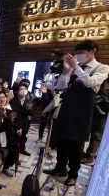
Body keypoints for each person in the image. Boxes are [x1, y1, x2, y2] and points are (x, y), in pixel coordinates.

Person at [44, 40, 109, 186]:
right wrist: (67, 72)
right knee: (61, 140)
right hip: (67, 107)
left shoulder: (102, 68)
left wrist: (76, 68)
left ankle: (73, 174)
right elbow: (60, 86)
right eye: (77, 53)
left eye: (81, 52)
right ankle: (60, 168)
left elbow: (90, 82)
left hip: (83, 112)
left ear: (92, 51)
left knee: (76, 145)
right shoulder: (75, 68)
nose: (78, 56)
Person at [0, 92, 21, 177]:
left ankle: (2, 169)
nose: (2, 99)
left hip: (7, 137)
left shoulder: (11, 108)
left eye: (3, 97)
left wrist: (17, 128)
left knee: (4, 156)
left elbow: (17, 121)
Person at [10, 84, 33, 156]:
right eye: (21, 89)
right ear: (17, 91)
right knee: (16, 138)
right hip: (17, 122)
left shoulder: (28, 100)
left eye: (25, 89)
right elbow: (17, 112)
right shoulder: (13, 100)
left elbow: (31, 113)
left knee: (24, 136)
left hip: (25, 122)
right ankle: (15, 154)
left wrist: (29, 109)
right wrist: (26, 109)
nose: (23, 90)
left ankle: (22, 149)